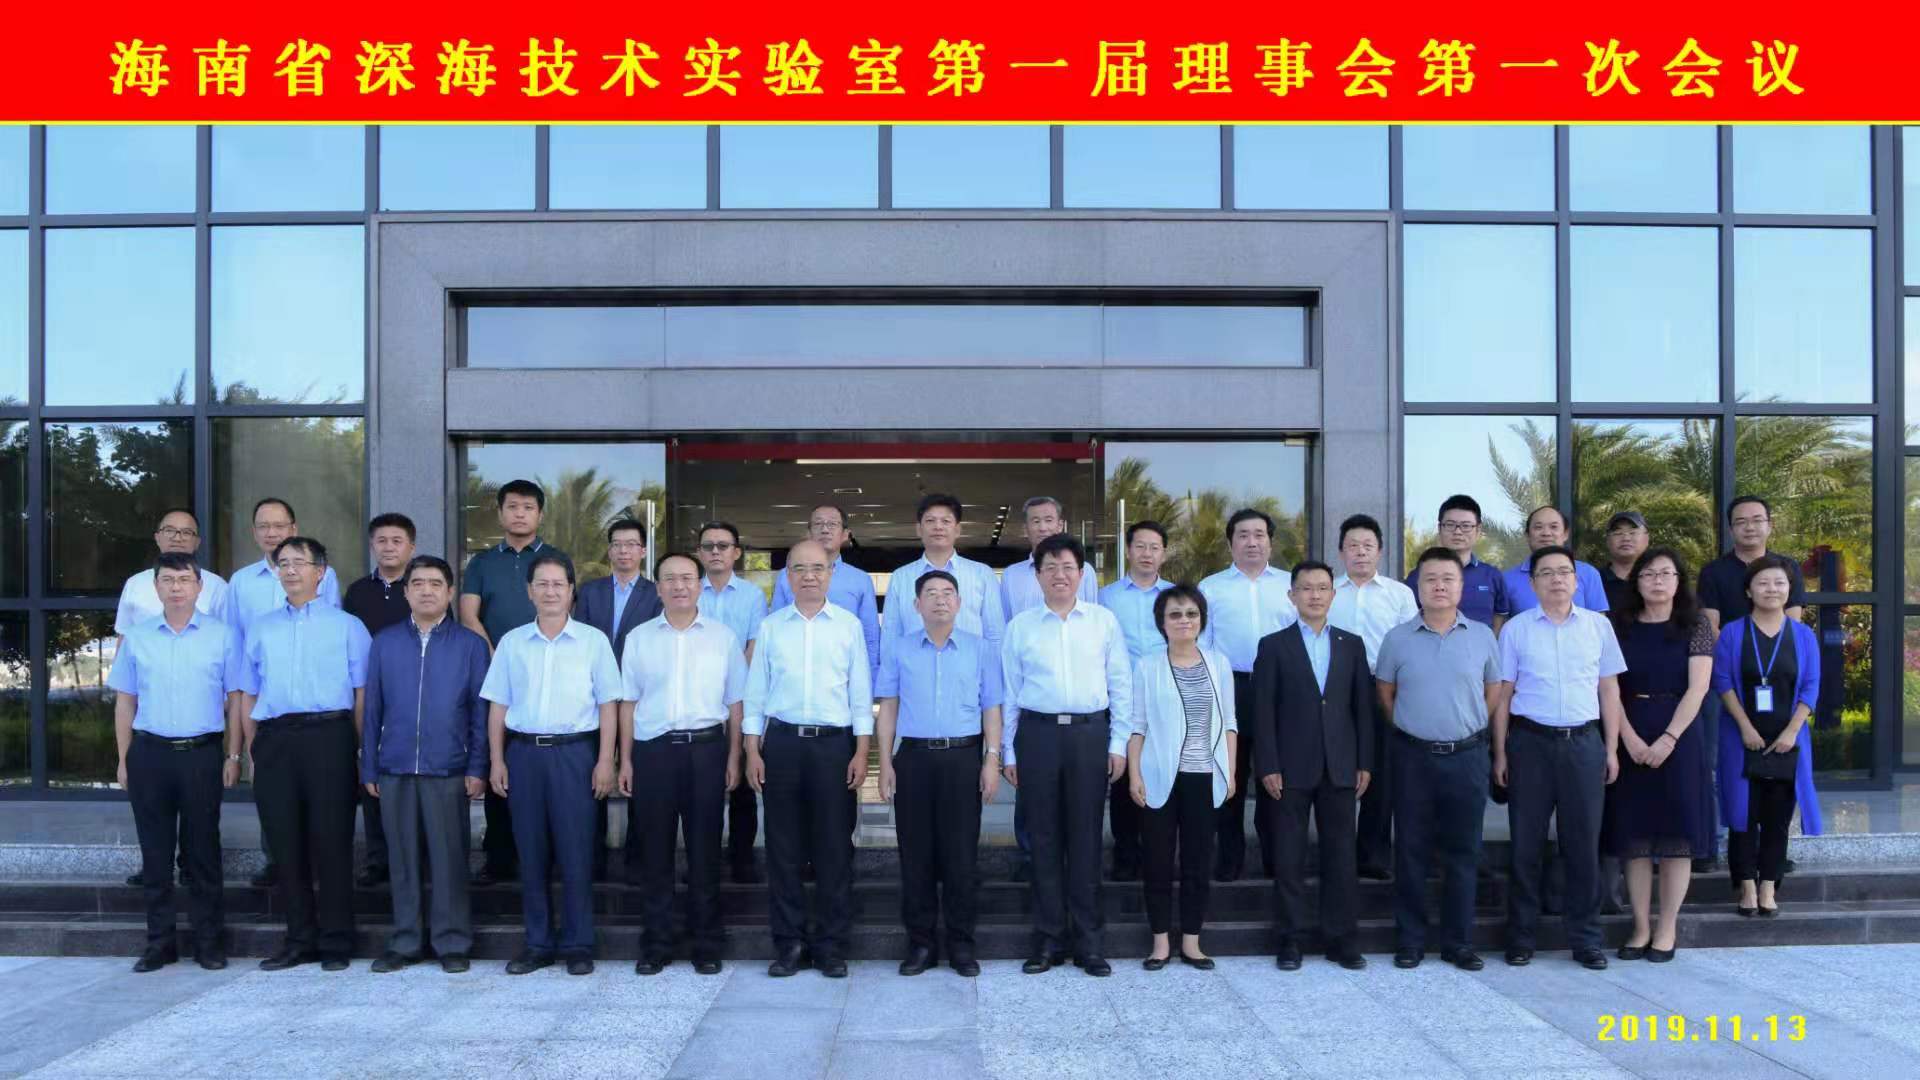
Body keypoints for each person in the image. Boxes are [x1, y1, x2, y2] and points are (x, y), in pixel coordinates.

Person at [482, 552, 621, 976]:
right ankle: (538, 943)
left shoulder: (593, 642)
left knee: (577, 852)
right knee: (531, 852)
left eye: (558, 584)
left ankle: (578, 944)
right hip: (523, 755)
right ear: (529, 591)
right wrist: (496, 760)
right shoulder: (512, 643)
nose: (550, 591)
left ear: (571, 590)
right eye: (541, 584)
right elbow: (498, 705)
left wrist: (606, 760)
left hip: (574, 755)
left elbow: (609, 705)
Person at [1001, 534, 1131, 978]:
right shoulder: (1021, 627)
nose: (1060, 575)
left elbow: (1121, 685)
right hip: (1037, 736)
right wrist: (1008, 751)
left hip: (1089, 736)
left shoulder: (1103, 622)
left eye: (1068, 567)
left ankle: (1089, 943)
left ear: (1082, 574)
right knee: (1043, 840)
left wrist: (1117, 744)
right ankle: (1048, 940)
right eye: (1050, 567)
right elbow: (1011, 693)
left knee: (1086, 839)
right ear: (1037, 576)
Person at [239, 537, 372, 972]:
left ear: (321, 571)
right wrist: (251, 749)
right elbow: (248, 692)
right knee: (285, 845)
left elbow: (362, 695)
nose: (291, 570)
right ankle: (298, 940)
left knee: (332, 841)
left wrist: (358, 749)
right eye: (283, 563)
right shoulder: (261, 627)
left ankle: (336, 941)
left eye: (300, 562)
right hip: (275, 739)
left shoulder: (348, 626)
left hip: (329, 737)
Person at [743, 540, 873, 979]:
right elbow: (755, 694)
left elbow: (860, 695)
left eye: (818, 568)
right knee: (782, 849)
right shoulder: (772, 627)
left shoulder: (849, 626)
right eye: (799, 568)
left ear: (831, 574)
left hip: (833, 747)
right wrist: (752, 750)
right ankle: (789, 943)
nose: (809, 576)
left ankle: (831, 945)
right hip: (782, 745)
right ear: (787, 577)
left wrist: (862, 752)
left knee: (834, 848)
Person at [1492, 544, 1625, 971]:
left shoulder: (1598, 627)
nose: (1556, 579)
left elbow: (1609, 690)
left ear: (1577, 580)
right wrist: (1500, 753)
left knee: (1582, 846)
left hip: (1584, 744)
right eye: (1546, 573)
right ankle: (1521, 937)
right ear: (1532, 583)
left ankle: (1586, 940)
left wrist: (1611, 748)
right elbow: (1504, 696)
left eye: (1564, 572)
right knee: (1525, 846)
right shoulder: (1516, 630)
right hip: (1529, 744)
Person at [109, 552, 245, 972]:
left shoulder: (223, 636)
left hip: (201, 754)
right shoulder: (137, 637)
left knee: (203, 851)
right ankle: (159, 943)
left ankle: (209, 943)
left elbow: (236, 699)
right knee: (155, 854)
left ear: (199, 586)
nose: (176, 587)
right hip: (149, 754)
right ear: (156, 587)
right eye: (167, 580)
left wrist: (233, 754)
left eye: (184, 579)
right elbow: (125, 702)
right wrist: (124, 759)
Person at [359, 555, 490, 975]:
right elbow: (372, 709)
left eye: (436, 583)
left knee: (450, 859)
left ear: (450, 592)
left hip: (447, 768)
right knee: (401, 859)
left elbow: (480, 714)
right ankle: (405, 941)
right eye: (418, 583)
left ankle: (452, 941)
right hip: (395, 766)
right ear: (406, 591)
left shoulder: (470, 646)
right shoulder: (385, 642)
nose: (427, 590)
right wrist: (369, 766)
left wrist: (478, 767)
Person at [617, 553, 746, 977]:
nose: (679, 586)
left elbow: (736, 703)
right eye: (670, 579)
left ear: (699, 584)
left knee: (705, 851)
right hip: (653, 752)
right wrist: (625, 759)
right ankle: (657, 943)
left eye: (687, 578)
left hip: (706, 751)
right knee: (654, 853)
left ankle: (706, 943)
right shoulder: (639, 638)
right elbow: (628, 703)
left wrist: (734, 756)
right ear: (657, 588)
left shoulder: (723, 637)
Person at [1375, 548, 1501, 971]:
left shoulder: (1482, 636)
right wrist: (1416, 727)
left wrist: (1467, 727)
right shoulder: (1397, 639)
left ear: (1461, 587)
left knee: (1463, 853)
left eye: (1448, 578)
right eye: (1430, 579)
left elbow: (1493, 691)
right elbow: (1386, 694)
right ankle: (1410, 940)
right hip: (1413, 757)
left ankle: (1457, 942)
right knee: (1410, 850)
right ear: (1418, 586)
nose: (1440, 586)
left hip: (1467, 757)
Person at [875, 569, 1003, 978]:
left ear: (959, 603)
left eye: (948, 592)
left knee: (961, 856)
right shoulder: (899, 649)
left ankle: (961, 946)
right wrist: (885, 762)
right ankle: (921, 945)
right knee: (916, 856)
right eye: (930, 593)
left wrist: (991, 759)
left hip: (963, 758)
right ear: (917, 605)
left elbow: (992, 708)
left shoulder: (980, 649)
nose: (940, 599)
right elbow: (888, 708)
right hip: (913, 759)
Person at [1254, 559, 1373, 971]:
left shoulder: (1351, 644)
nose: (1315, 595)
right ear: (1292, 595)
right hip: (1288, 768)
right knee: (1289, 858)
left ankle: (1342, 940)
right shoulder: (1273, 645)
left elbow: (1362, 709)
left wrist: (1364, 762)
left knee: (1341, 856)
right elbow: (1263, 711)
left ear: (1333, 595)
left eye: (1322, 588)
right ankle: (1290, 940)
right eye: (1306, 588)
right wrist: (1267, 764)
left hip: (1340, 766)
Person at [1602, 548, 1714, 963]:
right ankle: (1640, 927)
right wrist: (1627, 739)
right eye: (1649, 574)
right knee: (1634, 838)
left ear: (1679, 581)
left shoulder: (1695, 625)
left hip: (1680, 736)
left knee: (1675, 838)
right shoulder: (1618, 626)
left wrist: (1668, 738)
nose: (1658, 581)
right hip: (1629, 728)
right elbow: (1609, 687)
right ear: (1637, 581)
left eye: (1667, 573)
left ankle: (1666, 928)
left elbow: (1698, 688)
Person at [460, 479, 570, 888]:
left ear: (540, 514)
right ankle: (499, 857)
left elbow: (565, 612)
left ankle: (549, 857)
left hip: (550, 674)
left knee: (549, 774)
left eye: (528, 507)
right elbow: (468, 614)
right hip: (498, 676)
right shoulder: (482, 562)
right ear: (500, 512)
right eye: (512, 506)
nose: (520, 513)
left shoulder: (556, 559)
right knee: (499, 765)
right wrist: (497, 656)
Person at [228, 497, 342, 889]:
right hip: (264, 700)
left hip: (313, 706)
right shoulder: (241, 582)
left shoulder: (325, 576)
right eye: (263, 526)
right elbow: (236, 644)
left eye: (279, 525)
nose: (271, 533)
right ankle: (275, 860)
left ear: (293, 528)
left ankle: (313, 866)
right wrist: (244, 736)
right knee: (273, 793)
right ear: (254, 532)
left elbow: (327, 630)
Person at [115, 509, 229, 892]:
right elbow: (124, 657)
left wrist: (229, 748)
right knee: (155, 837)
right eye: (170, 530)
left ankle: (202, 911)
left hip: (200, 738)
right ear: (157, 536)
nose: (178, 537)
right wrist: (124, 757)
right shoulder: (136, 586)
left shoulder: (217, 588)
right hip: (151, 732)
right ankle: (158, 903)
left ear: (198, 541)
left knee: (202, 839)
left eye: (186, 532)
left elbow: (229, 670)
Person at [1125, 585, 1235, 971]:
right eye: (1175, 614)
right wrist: (1134, 774)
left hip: (1204, 776)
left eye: (1191, 613)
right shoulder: (1147, 666)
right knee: (1157, 861)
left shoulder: (1219, 663)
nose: (1184, 620)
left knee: (1197, 861)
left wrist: (1230, 771)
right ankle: (1159, 943)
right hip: (1159, 776)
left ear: (1201, 620)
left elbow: (1230, 723)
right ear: (1162, 622)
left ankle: (1191, 942)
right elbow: (1137, 726)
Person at [1696, 494, 1807, 875]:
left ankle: (1773, 851)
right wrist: (1738, 658)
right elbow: (1711, 626)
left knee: (1779, 766)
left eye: (1757, 519)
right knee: (1722, 766)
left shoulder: (1787, 568)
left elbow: (1793, 623)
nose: (1750, 526)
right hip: (1728, 681)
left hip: (1780, 686)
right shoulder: (1714, 572)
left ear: (1769, 525)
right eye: (1741, 521)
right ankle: (1715, 846)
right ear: (1731, 529)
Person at [1711, 555, 1823, 918]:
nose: (1771, 589)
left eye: (1779, 583)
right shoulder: (1732, 632)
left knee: (1777, 817)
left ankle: (1768, 885)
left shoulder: (1803, 635)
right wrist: (1745, 727)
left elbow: (1811, 687)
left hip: (1788, 740)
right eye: (1762, 583)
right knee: (1743, 814)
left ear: (1789, 590)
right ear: (1749, 590)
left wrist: (1792, 731)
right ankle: (1745, 885)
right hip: (1741, 738)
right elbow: (1722, 682)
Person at [1197, 507, 1296, 881]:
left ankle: (1275, 860)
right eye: (1243, 535)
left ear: (1270, 541)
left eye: (1259, 534)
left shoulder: (1290, 585)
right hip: (1230, 688)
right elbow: (1203, 646)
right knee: (1229, 777)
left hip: (1280, 691)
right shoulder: (1211, 588)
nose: (1252, 542)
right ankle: (1229, 860)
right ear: (1230, 543)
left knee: (1276, 778)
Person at [1329, 512, 1418, 882]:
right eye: (1353, 546)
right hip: (1333, 690)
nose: (1360, 552)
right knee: (1335, 770)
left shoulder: (1400, 594)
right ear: (1341, 552)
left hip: (1383, 686)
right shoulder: (1328, 591)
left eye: (1368, 545)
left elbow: (1411, 645)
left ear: (1380, 551)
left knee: (1380, 772)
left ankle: (1373, 855)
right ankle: (1336, 855)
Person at [574, 518, 664, 881]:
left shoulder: (656, 593)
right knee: (593, 777)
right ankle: (591, 857)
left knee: (637, 775)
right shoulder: (590, 592)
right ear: (609, 550)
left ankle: (637, 860)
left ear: (643, 551)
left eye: (631, 544)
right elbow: (580, 640)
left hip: (637, 698)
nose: (623, 551)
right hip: (593, 697)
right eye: (617, 544)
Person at [342, 512, 418, 889]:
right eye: (382, 541)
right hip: (368, 694)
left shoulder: (421, 587)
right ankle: (377, 859)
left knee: (412, 780)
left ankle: (415, 858)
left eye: (397, 541)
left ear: (411, 547)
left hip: (413, 694)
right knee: (371, 771)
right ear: (372, 545)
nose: (389, 547)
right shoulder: (357, 592)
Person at [695, 521, 771, 885]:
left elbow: (755, 645)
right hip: (700, 700)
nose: (715, 551)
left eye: (723, 546)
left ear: (736, 553)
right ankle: (704, 861)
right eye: (708, 545)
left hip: (741, 697)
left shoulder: (753, 596)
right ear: (699, 553)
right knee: (703, 788)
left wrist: (733, 686)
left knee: (741, 784)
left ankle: (742, 859)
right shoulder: (690, 591)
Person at [1098, 520, 1175, 882]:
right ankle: (1126, 855)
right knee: (1123, 776)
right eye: (1140, 546)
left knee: (1162, 774)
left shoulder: (1175, 597)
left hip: (1165, 697)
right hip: (1122, 700)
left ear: (1164, 553)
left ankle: (1160, 854)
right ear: (1128, 551)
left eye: (1154, 547)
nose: (1147, 554)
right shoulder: (1107, 597)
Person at [883, 493, 1008, 656]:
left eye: (946, 521)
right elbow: (891, 637)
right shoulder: (901, 577)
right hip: (915, 669)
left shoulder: (982, 574)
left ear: (958, 529)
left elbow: (995, 635)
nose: (938, 527)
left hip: (970, 669)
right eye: (930, 521)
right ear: (919, 529)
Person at [773, 504, 881, 680]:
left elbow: (870, 635)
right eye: (818, 524)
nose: (825, 529)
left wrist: (870, 679)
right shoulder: (786, 576)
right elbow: (776, 628)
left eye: (832, 524)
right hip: (794, 672)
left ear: (845, 534)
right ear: (808, 533)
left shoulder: (860, 579)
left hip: (845, 673)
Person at [1406, 494, 1511, 633]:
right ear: (1439, 528)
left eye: (1466, 526)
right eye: (1450, 525)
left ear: (1478, 530)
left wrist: (1488, 641)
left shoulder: (1492, 576)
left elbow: (1499, 618)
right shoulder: (1419, 576)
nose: (1458, 532)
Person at [1000, 496, 1100, 618]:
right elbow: (1006, 622)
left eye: (1048, 520)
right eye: (1036, 521)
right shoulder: (1011, 575)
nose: (1042, 528)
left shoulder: (1084, 570)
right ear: (1025, 529)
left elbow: (1092, 617)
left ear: (1060, 526)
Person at [1505, 506, 1610, 615]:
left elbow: (1598, 621)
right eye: (1538, 527)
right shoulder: (1507, 580)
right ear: (1527, 535)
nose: (1546, 533)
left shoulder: (1588, 573)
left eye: (1554, 527)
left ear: (1565, 534)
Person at [1600, 511, 1651, 614]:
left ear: (1647, 539)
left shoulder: (1658, 579)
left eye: (1633, 533)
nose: (1626, 538)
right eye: (1618, 533)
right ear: (1607, 540)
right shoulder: (1594, 580)